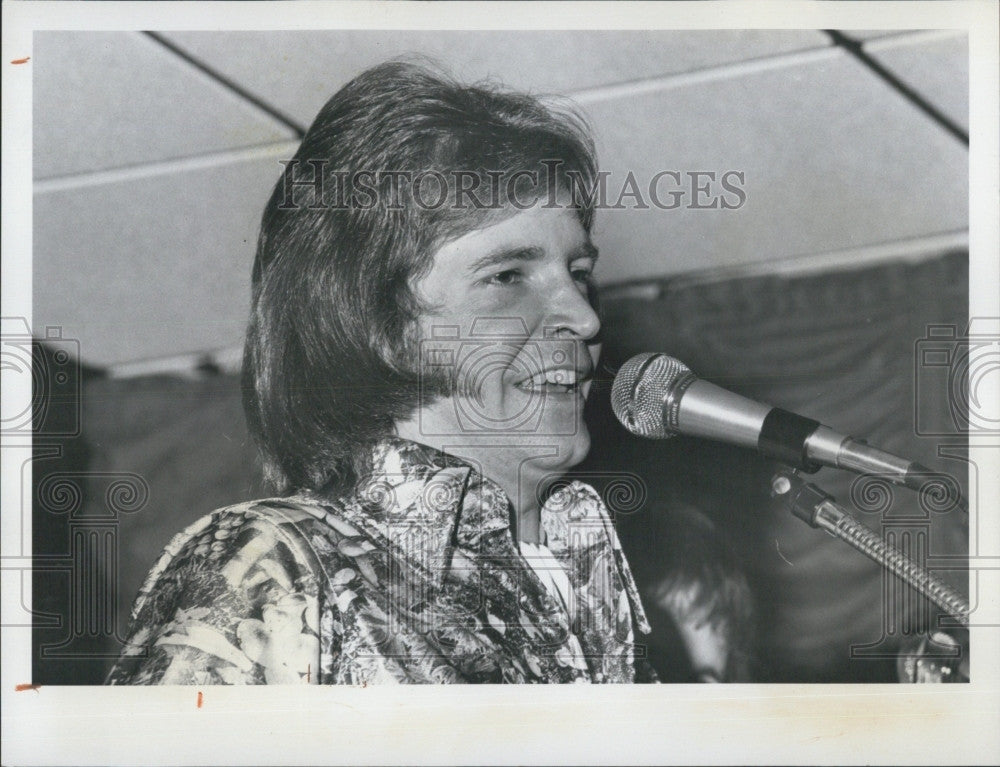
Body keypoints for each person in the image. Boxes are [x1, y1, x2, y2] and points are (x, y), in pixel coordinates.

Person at [107, 61, 656, 684]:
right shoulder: (275, 565)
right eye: (508, 278)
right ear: (382, 327)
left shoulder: (591, 589)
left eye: (579, 275)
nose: (584, 318)